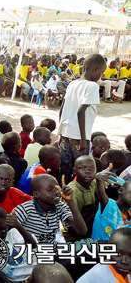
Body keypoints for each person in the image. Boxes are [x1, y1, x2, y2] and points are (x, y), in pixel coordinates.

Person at [59, 54, 104, 182]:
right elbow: (81, 112)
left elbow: (62, 109)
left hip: (66, 133)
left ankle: (63, 196)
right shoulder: (92, 86)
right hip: (79, 137)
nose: (101, 75)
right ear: (95, 69)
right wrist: (84, 139)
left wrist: (60, 132)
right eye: (101, 72)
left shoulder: (73, 83)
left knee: (65, 171)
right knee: (82, 173)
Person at [15, 174, 87, 244]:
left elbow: (82, 231)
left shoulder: (59, 206)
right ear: (36, 194)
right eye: (50, 190)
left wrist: (70, 201)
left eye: (57, 188)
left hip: (51, 251)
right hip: (31, 252)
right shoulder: (24, 210)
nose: (56, 192)